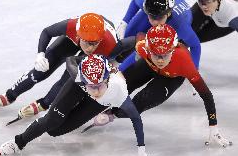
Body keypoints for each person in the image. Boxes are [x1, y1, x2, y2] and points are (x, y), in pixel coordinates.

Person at [0, 54, 160, 156]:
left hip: (100, 102)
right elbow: (71, 59)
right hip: (77, 87)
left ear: (107, 79)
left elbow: (137, 120)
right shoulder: (79, 77)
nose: (95, 91)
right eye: (90, 86)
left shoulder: (119, 91)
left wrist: (141, 153)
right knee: (51, 121)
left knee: (57, 132)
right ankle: (18, 142)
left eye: (99, 86)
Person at [94, 24, 232, 148]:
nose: (160, 60)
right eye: (156, 54)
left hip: (172, 77)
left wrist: (213, 126)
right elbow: (130, 44)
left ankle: (113, 113)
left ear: (173, 50)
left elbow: (207, 95)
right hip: (149, 66)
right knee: (121, 84)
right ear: (148, 49)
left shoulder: (185, 63)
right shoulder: (142, 46)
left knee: (140, 102)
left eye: (165, 55)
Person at [0, 13, 136, 119]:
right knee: (41, 70)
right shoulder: (71, 26)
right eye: (87, 43)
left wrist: (117, 61)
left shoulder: (110, 46)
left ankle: (43, 104)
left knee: (67, 79)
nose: (90, 48)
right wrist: (40, 54)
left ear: (100, 40)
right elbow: (46, 32)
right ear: (79, 35)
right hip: (73, 40)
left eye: (94, 44)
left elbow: (132, 42)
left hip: (104, 48)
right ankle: (10, 94)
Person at [116, 0, 201, 70]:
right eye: (151, 17)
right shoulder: (148, 4)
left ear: (168, 14)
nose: (154, 23)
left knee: (147, 49)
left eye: (159, 18)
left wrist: (194, 69)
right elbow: (135, 0)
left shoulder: (179, 26)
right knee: (127, 35)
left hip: (175, 22)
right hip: (160, 11)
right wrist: (124, 22)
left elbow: (196, 46)